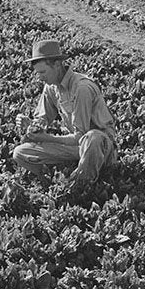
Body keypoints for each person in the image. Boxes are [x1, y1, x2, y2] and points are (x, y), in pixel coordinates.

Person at [13, 38, 117, 184]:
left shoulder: (82, 88)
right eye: (38, 73)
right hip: (74, 147)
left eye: (43, 72)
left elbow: (81, 136)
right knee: (20, 153)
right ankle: (53, 180)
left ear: (57, 64)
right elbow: (42, 120)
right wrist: (31, 126)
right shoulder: (51, 87)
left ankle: (81, 185)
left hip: (99, 148)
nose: (40, 77)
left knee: (93, 137)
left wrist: (46, 138)